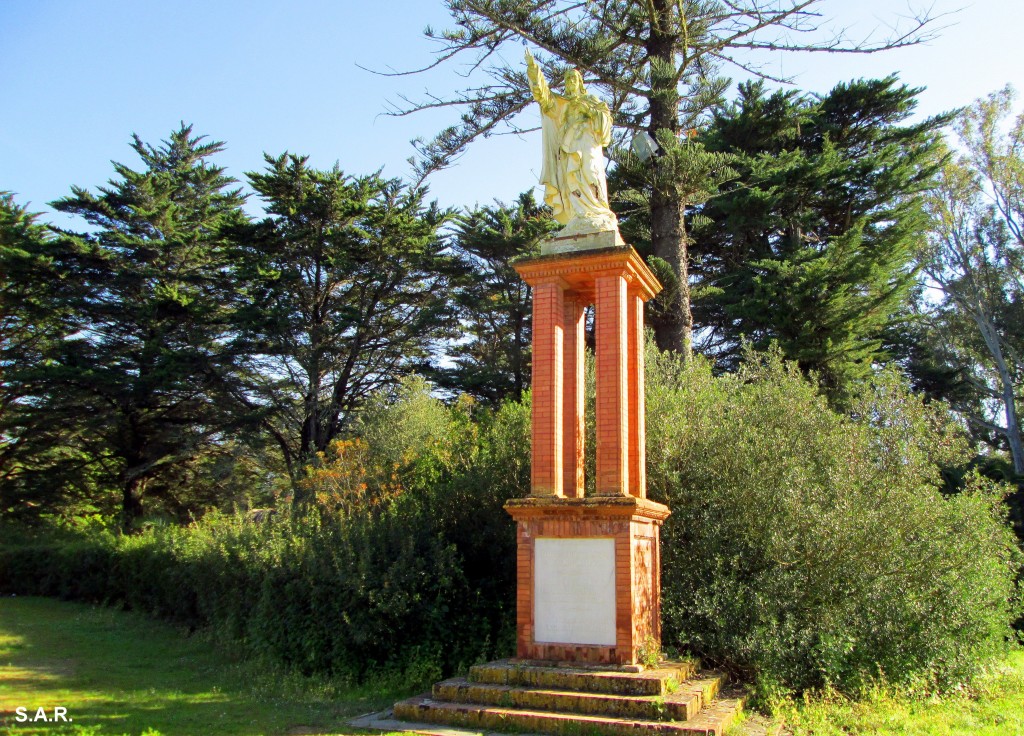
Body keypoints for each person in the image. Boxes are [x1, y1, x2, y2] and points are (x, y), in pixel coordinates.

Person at [525, 49, 620, 237]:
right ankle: (579, 214)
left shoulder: (590, 101)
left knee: (591, 173)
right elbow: (543, 97)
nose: (570, 82)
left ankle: (597, 211)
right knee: (572, 179)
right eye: (567, 79)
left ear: (580, 83)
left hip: (587, 142)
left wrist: (589, 112)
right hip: (569, 146)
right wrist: (533, 69)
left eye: (573, 79)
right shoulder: (562, 104)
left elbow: (605, 122)